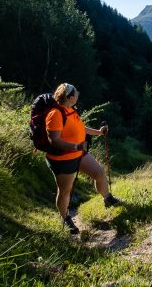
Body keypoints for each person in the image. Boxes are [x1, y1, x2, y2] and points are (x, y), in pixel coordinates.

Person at [45, 82, 121, 234]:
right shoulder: (55, 114)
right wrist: (76, 147)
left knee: (98, 173)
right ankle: (65, 218)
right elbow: (54, 140)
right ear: (70, 97)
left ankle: (107, 198)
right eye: (76, 92)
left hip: (78, 154)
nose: (78, 93)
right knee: (65, 190)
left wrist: (99, 132)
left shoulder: (71, 110)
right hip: (62, 159)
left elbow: (81, 128)